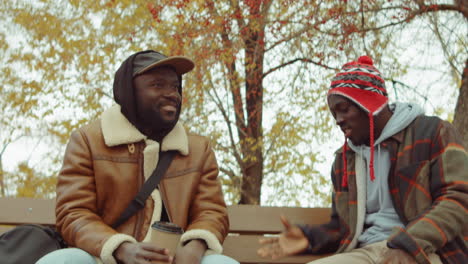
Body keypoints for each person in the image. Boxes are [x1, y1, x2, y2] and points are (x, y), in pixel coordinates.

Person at [258, 56, 468, 264]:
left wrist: (409, 245)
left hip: (425, 250)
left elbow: (458, 198)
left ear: (369, 104)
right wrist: (309, 238)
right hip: (365, 253)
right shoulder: (344, 160)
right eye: (334, 113)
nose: (338, 120)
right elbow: (343, 227)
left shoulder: (431, 132)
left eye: (344, 109)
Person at [37, 50, 239, 264]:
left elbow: (212, 212)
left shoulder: (198, 149)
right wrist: (120, 248)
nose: (172, 94)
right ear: (129, 91)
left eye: (175, 87)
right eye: (157, 85)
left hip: (175, 260)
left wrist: (194, 247)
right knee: (61, 261)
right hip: (107, 259)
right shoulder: (88, 140)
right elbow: (73, 213)